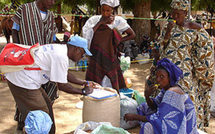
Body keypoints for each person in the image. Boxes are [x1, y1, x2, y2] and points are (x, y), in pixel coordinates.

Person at [4, 36, 96, 134]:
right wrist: (83, 91)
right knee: (41, 117)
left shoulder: (60, 50)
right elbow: (62, 85)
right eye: (82, 53)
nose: (82, 57)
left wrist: (84, 82)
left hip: (27, 79)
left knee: (47, 104)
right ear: (76, 49)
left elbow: (64, 73)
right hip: (22, 81)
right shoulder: (60, 56)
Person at [146, 0, 214, 130]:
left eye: (178, 14)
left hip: (184, 71)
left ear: (185, 12)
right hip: (165, 70)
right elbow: (161, 47)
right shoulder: (168, 27)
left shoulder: (196, 29)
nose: (175, 17)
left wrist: (201, 67)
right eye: (173, 14)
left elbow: (205, 49)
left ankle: (188, 128)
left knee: (185, 98)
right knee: (164, 96)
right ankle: (164, 125)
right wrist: (167, 34)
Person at [11, 0, 60, 131]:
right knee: (26, 94)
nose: (53, 2)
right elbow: (15, 31)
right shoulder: (24, 10)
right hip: (27, 62)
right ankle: (24, 122)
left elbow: (54, 38)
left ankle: (43, 125)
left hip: (44, 64)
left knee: (48, 93)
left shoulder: (50, 16)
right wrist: (19, 53)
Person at [124, 58, 198, 134]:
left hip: (184, 128)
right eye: (157, 76)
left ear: (170, 78)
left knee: (148, 126)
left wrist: (135, 117)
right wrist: (147, 96)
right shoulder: (165, 90)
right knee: (144, 107)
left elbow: (161, 119)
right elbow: (154, 107)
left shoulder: (172, 92)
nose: (158, 80)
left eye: (162, 77)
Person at [82, 0, 135, 91]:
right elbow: (86, 36)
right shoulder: (93, 20)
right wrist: (100, 23)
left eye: (108, 10)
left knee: (110, 88)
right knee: (94, 87)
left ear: (113, 10)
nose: (105, 13)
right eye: (103, 10)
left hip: (110, 59)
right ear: (100, 9)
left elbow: (132, 34)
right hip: (96, 58)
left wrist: (119, 40)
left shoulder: (118, 21)